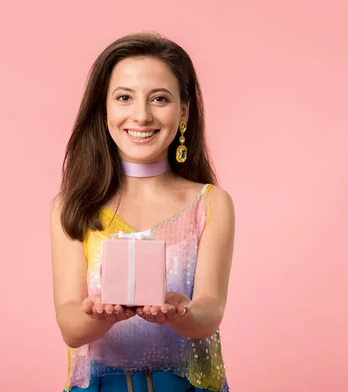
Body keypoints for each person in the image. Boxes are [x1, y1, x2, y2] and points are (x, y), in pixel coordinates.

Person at [51, 32, 235, 392]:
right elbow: (71, 328)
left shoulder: (211, 203)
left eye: (160, 99)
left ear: (183, 111)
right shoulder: (72, 206)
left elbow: (209, 314)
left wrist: (181, 312)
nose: (141, 115)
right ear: (103, 109)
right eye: (124, 98)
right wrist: (102, 314)